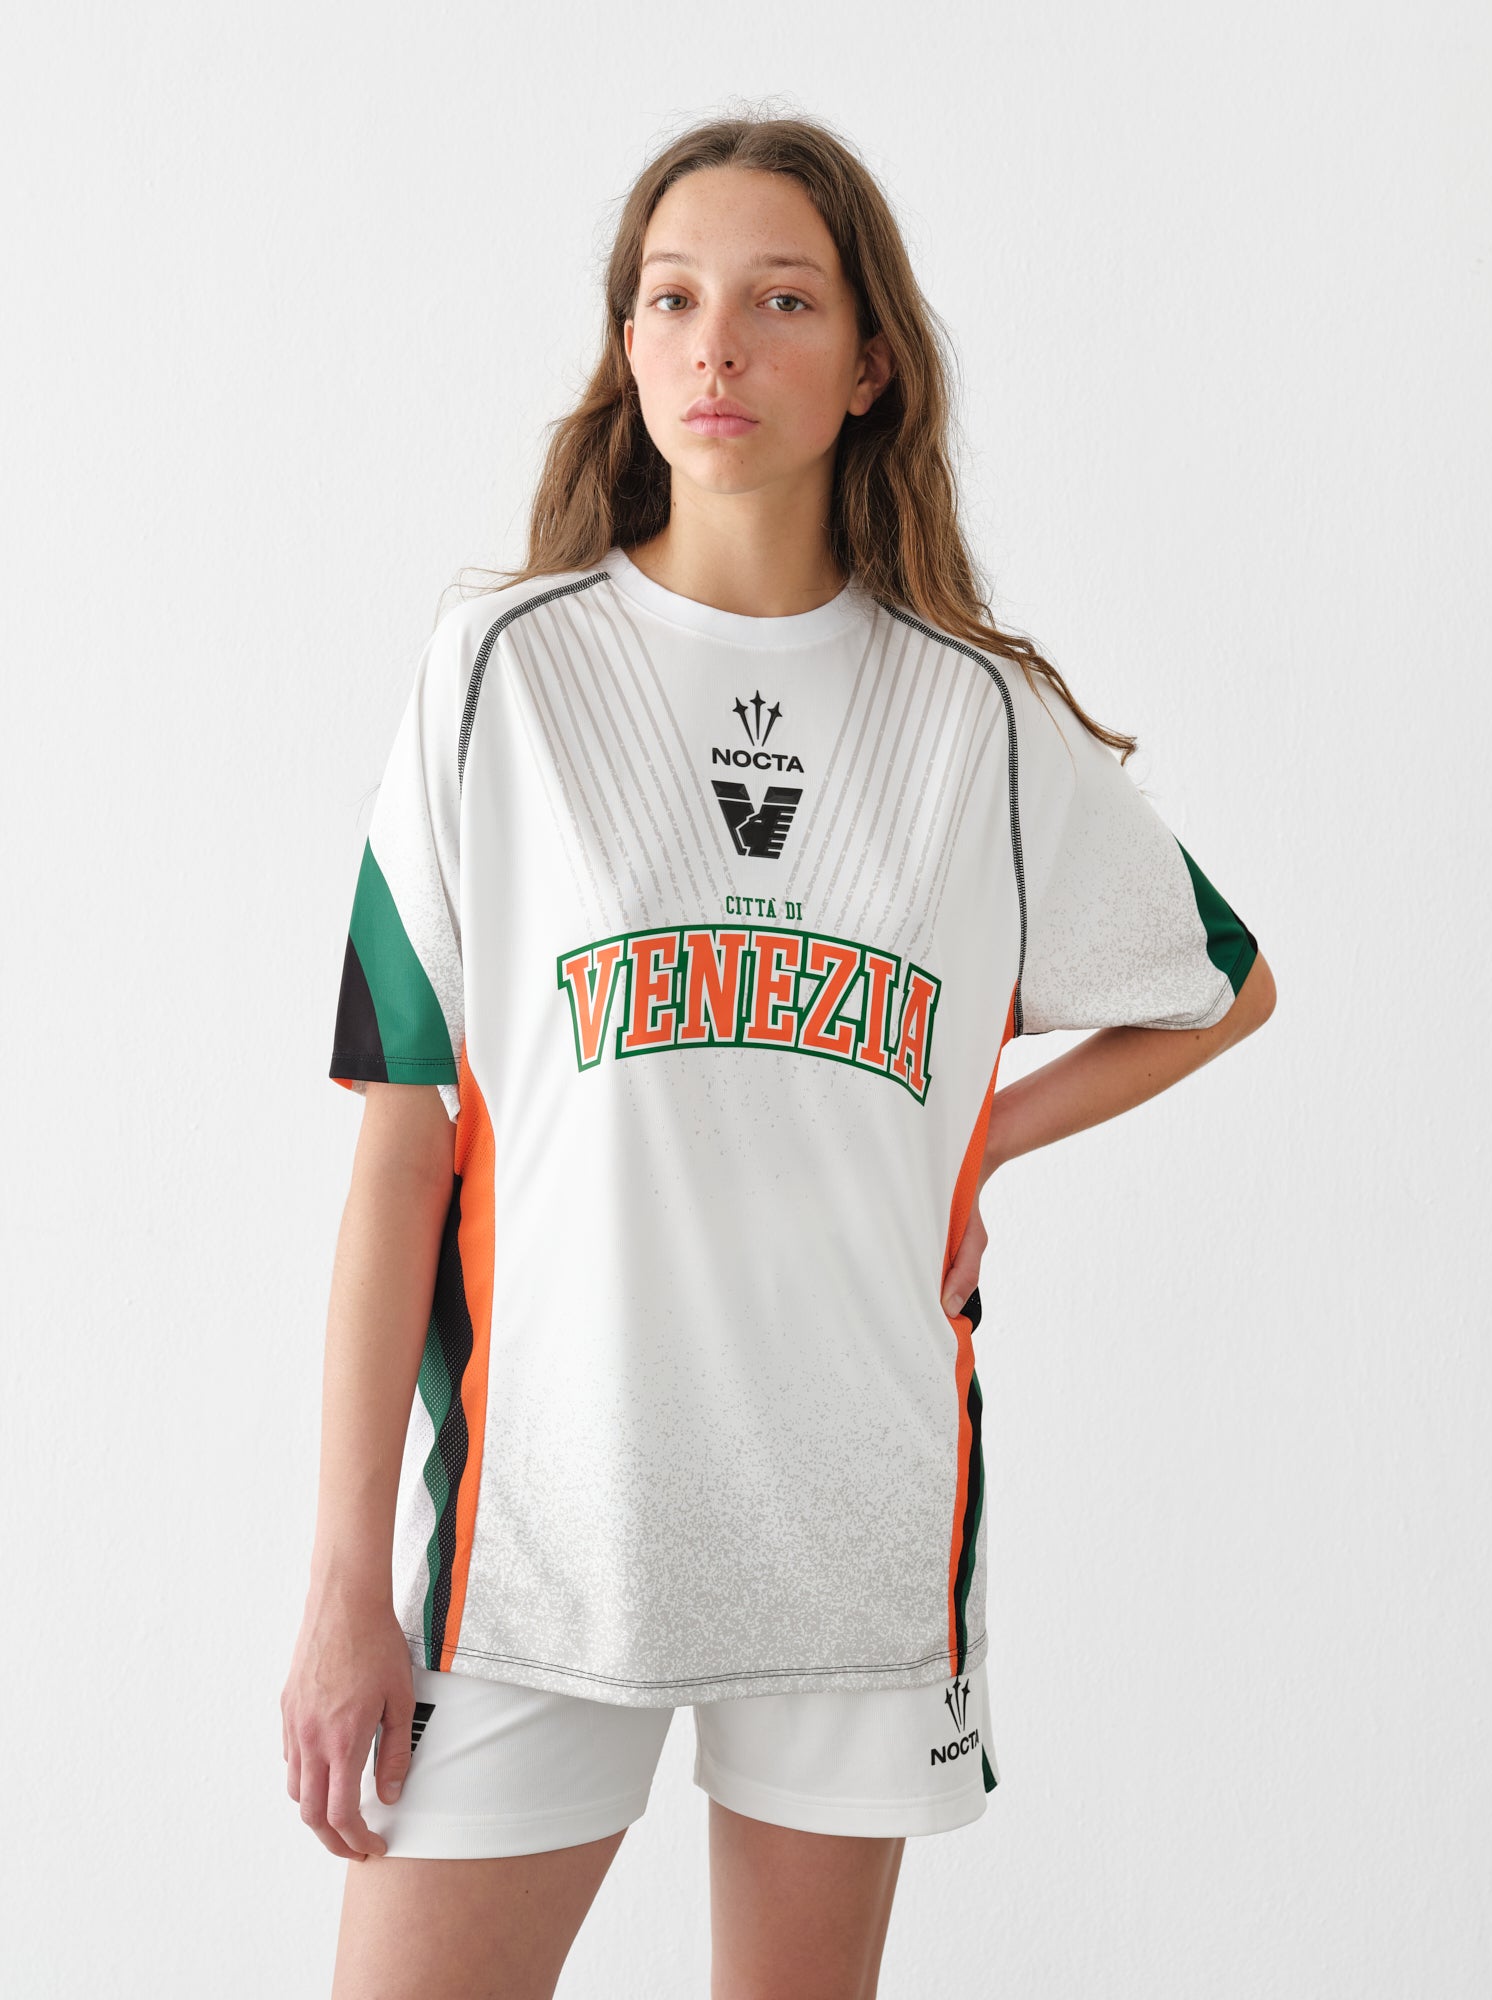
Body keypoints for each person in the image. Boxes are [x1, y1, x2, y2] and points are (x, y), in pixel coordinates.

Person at [282, 112, 1276, 2000]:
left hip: (850, 1515)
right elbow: (403, 1148)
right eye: (672, 298)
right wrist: (344, 1584)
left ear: (871, 363)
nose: (716, 344)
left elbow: (1217, 985)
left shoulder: (976, 716)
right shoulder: (503, 668)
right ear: (626, 347)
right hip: (538, 1538)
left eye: (781, 299)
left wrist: (979, 1142)